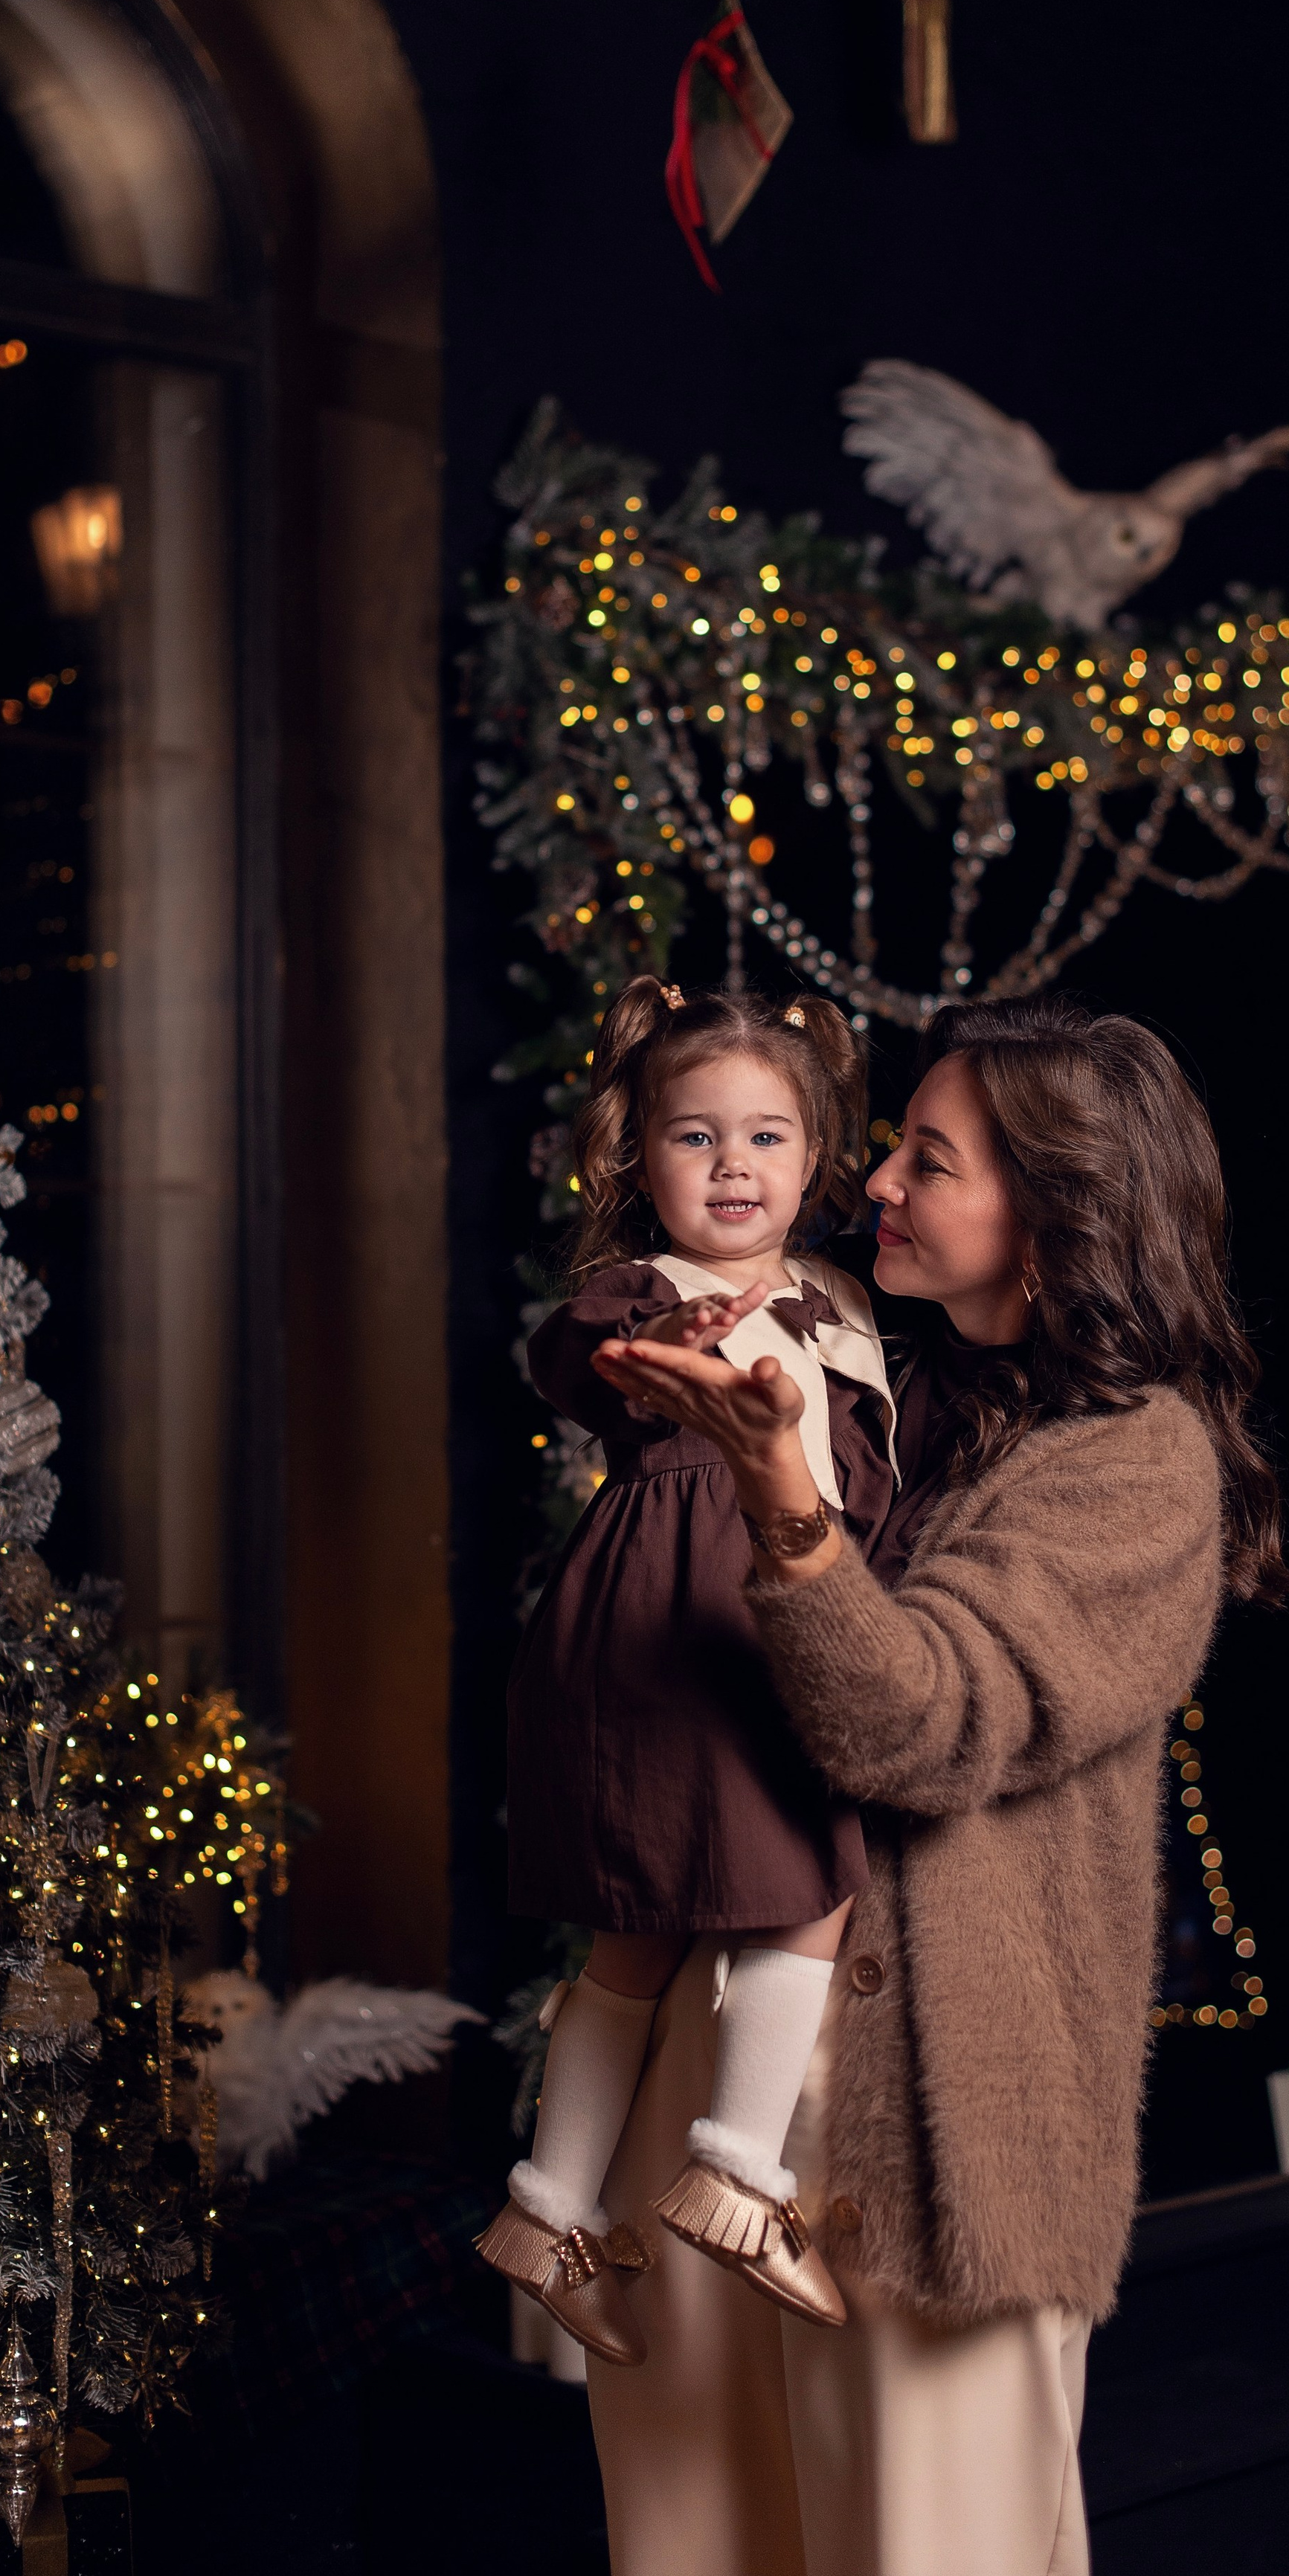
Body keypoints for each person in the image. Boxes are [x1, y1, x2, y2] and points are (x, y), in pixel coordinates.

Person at [577, 994, 1289, 2576]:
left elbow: (920, 1728)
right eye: (891, 1143)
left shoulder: (1138, 1466)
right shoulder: (859, 1378)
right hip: (717, 2120)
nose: (875, 1179)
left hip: (934, 2144)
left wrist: (781, 1512)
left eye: (929, 1157)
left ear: (1050, 1220)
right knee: (696, 2567)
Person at [478, 978, 899, 2366]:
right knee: (818, 1875)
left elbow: (868, 1478)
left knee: (636, 1945)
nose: (733, 1166)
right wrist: (658, 1356)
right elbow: (575, 1356)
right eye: (695, 1136)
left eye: (768, 1137)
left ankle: (545, 2211)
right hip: (683, 1623)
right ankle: (736, 2171)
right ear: (635, 1155)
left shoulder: (835, 1302)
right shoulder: (649, 1294)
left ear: (820, 1153)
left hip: (780, 1614)